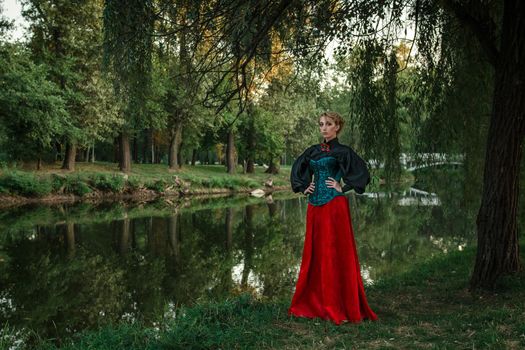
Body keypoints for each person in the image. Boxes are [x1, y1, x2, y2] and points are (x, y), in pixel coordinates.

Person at [288, 111, 378, 325]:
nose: (324, 128)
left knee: (334, 252)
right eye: (321, 124)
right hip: (315, 207)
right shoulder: (313, 151)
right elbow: (297, 168)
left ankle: (338, 304)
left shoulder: (343, 151)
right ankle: (316, 303)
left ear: (337, 127)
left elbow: (362, 173)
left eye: (328, 124)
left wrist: (343, 186)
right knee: (316, 252)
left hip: (334, 205)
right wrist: (304, 186)